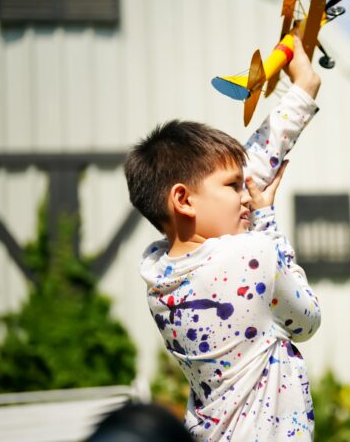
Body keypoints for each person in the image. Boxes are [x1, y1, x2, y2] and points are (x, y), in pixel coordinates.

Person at [124, 36, 322, 440]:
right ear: (183, 199)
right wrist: (265, 218)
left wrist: (302, 93)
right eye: (234, 187)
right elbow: (307, 322)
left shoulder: (161, 273)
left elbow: (250, 174)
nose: (247, 194)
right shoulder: (251, 254)